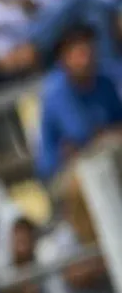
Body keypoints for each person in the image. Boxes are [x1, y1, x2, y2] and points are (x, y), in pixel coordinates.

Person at [36, 25, 122, 181]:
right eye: (80, 53)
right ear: (63, 58)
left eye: (89, 50)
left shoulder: (105, 83)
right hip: (66, 174)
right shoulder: (55, 94)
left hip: (107, 158)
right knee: (95, 173)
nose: (86, 59)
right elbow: (79, 138)